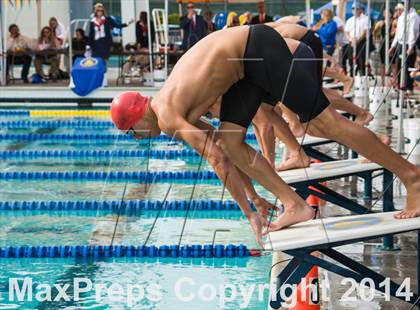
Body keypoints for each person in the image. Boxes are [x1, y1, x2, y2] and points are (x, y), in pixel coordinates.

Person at [110, 25, 420, 244]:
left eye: (134, 134)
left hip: (256, 50)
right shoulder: (169, 105)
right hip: (245, 64)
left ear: (136, 119)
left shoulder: (166, 118)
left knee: (327, 124)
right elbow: (223, 149)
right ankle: (294, 205)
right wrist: (256, 198)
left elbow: (216, 160)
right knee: (232, 139)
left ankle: (410, 175)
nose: (140, 138)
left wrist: (249, 213)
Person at [389, 1, 419, 93]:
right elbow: (398, 33)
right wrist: (393, 46)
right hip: (400, 44)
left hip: (408, 44)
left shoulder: (414, 16)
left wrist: (410, 46)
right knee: (399, 66)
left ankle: (409, 87)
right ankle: (400, 86)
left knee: (408, 66)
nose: (398, 11)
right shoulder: (401, 16)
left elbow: (413, 32)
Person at [344, 3, 370, 76]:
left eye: (356, 9)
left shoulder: (365, 19)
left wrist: (357, 40)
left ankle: (362, 77)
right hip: (351, 42)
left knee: (361, 61)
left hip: (361, 42)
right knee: (350, 60)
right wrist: (351, 39)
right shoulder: (350, 20)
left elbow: (365, 31)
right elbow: (346, 32)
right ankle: (352, 77)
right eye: (353, 9)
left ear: (360, 10)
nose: (354, 10)